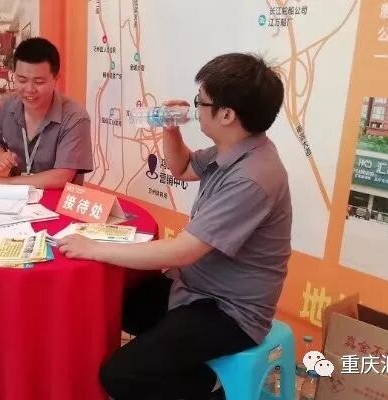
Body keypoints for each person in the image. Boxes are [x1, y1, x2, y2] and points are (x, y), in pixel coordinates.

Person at [57, 53, 292, 400]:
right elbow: (181, 167)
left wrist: (95, 248)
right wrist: (171, 128)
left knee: (120, 375)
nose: (195, 108)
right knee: (112, 304)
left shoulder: (252, 177)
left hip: (230, 310)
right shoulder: (233, 149)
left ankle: (214, 386)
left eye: (201, 101)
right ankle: (182, 366)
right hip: (196, 287)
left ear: (227, 115)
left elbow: (182, 252)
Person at [0, 37, 94, 189]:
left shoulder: (75, 117)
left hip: (57, 199)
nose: (30, 89)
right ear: (14, 75)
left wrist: (7, 183)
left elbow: (62, 176)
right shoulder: (7, 106)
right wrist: (1, 157)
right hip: (18, 198)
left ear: (55, 79)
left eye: (39, 82)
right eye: (22, 80)